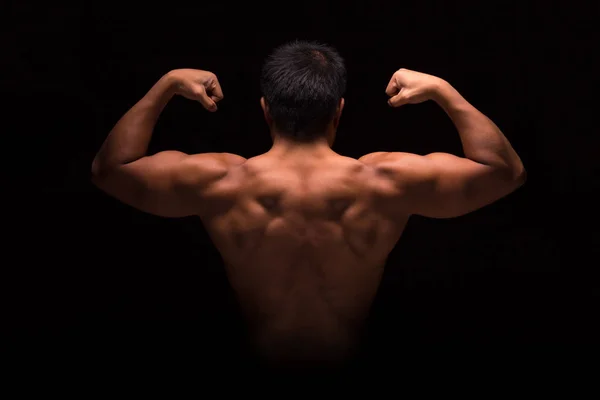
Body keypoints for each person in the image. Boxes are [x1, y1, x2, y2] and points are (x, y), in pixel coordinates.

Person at [91, 40, 526, 367]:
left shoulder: (221, 182)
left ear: (265, 111)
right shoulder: (386, 182)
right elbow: (505, 172)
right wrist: (443, 91)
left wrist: (165, 85)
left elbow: (110, 169)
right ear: (338, 111)